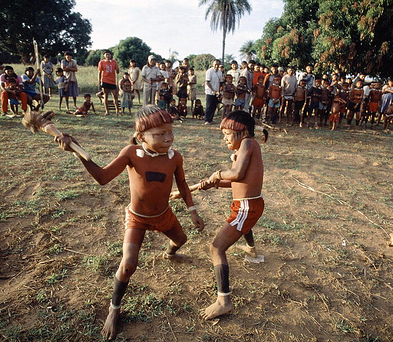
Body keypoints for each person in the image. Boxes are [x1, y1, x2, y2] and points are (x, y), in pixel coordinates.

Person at [55, 105, 204, 340]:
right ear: (141, 135)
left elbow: (183, 184)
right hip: (137, 218)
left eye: (170, 132)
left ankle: (169, 253)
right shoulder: (131, 153)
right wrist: (76, 150)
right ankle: (114, 309)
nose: (168, 138)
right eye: (160, 134)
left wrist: (192, 210)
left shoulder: (175, 157)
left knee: (181, 240)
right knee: (128, 265)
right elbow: (103, 178)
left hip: (163, 215)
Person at [198, 110, 267, 321]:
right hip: (249, 205)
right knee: (244, 224)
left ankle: (223, 301)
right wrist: (215, 184)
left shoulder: (247, 143)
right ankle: (252, 251)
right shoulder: (247, 148)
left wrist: (217, 175)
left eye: (227, 134)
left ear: (242, 131)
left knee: (216, 248)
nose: (225, 139)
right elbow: (238, 180)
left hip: (246, 206)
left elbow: (235, 174)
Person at [98, 50, 120, 115]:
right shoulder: (101, 62)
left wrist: (117, 70)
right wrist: (99, 81)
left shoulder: (114, 62)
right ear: (104, 55)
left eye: (109, 54)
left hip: (112, 81)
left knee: (115, 96)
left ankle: (117, 111)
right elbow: (99, 72)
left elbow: (117, 70)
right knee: (106, 96)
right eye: (106, 54)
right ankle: (107, 111)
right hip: (105, 80)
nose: (108, 56)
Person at [204, 59, 222, 125]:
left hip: (217, 91)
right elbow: (207, 82)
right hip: (209, 91)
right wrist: (212, 90)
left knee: (214, 106)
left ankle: (211, 119)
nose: (216, 66)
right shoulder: (209, 71)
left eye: (218, 64)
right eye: (215, 64)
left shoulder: (220, 72)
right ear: (213, 64)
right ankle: (207, 120)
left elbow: (220, 82)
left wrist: (219, 91)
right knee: (209, 106)